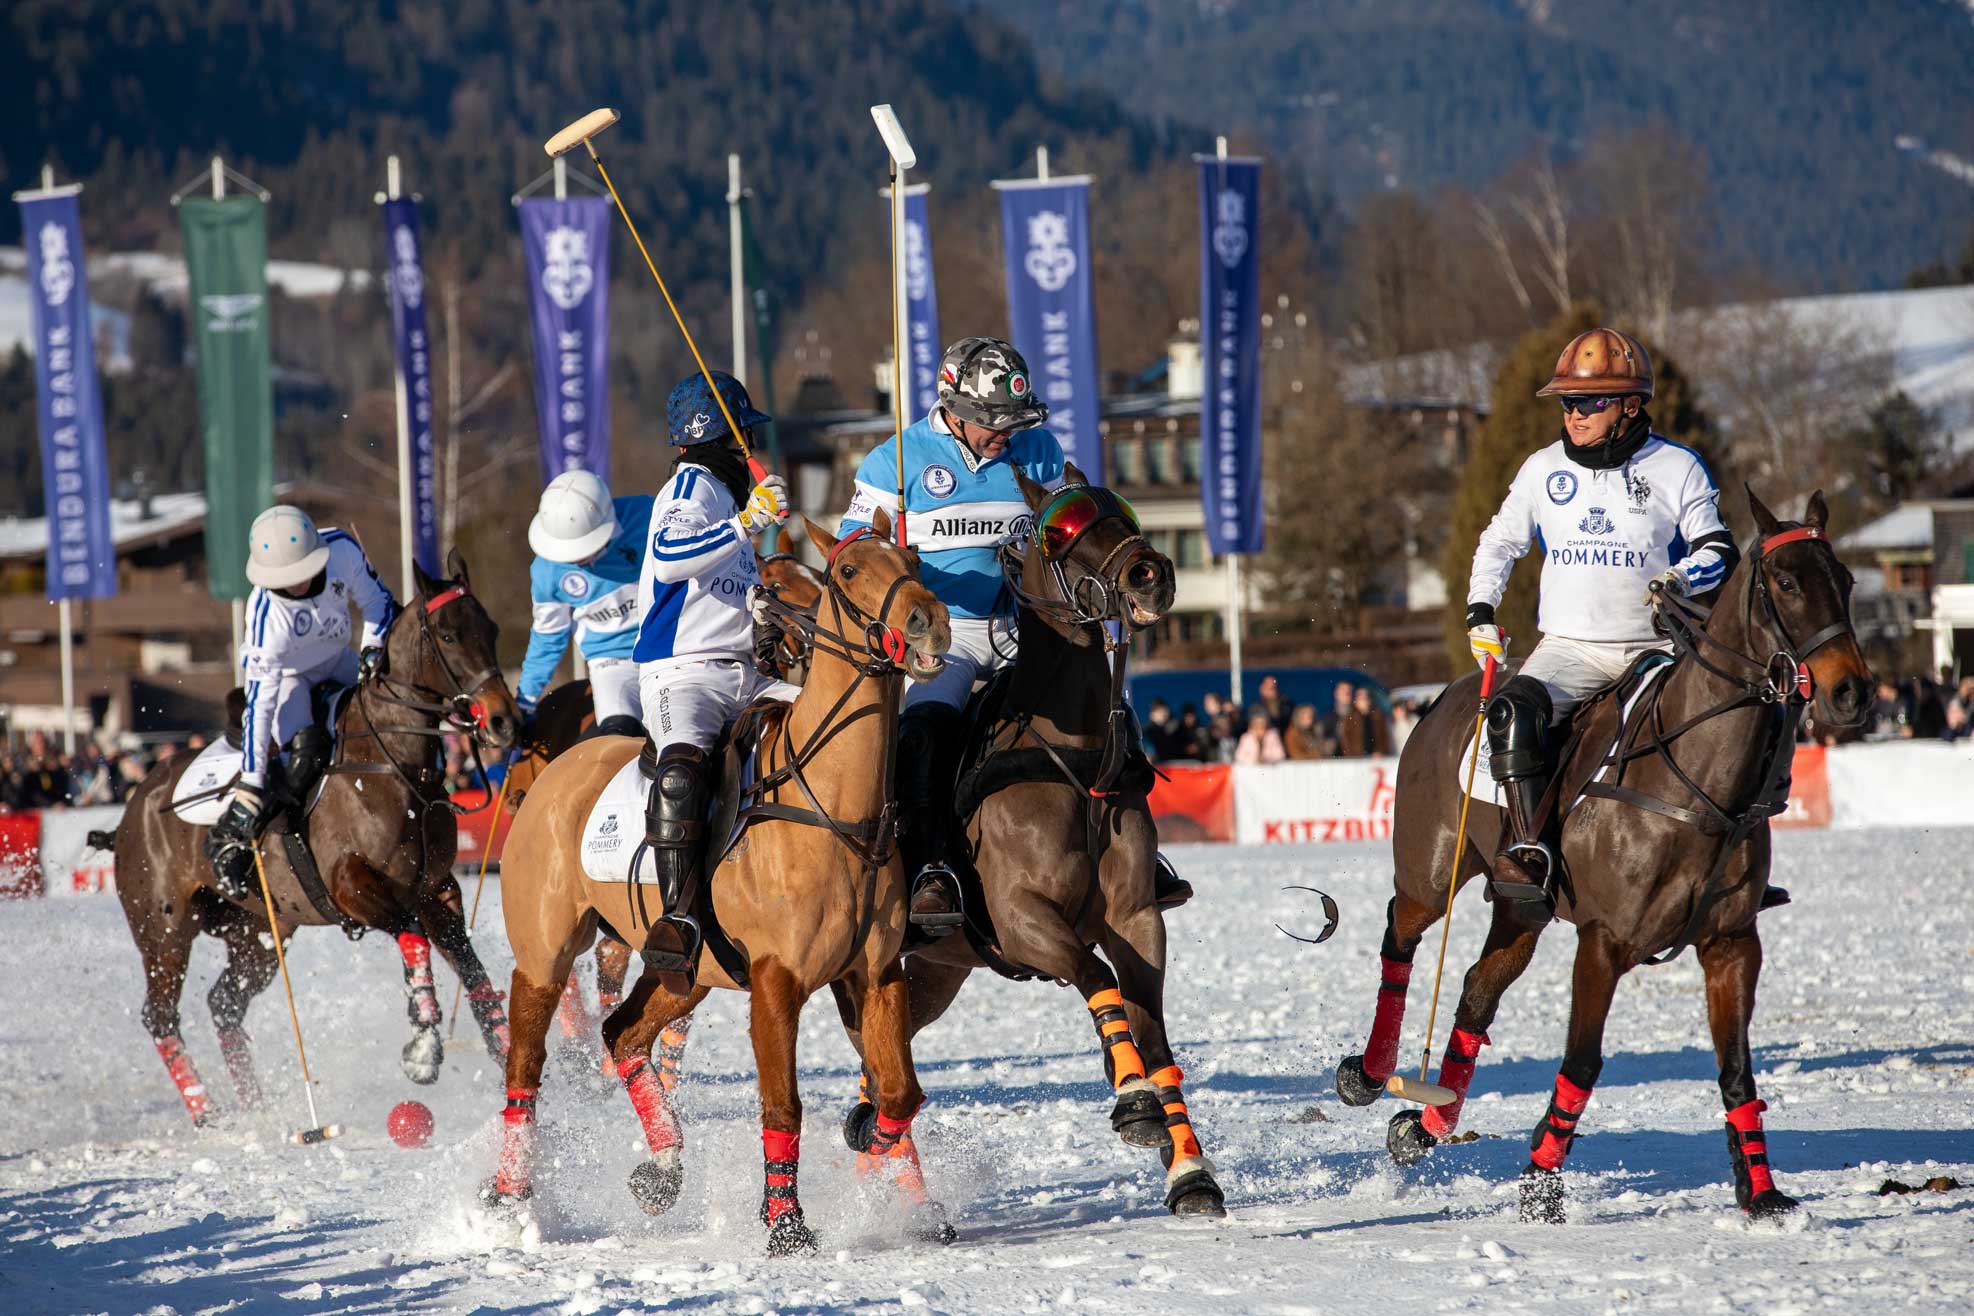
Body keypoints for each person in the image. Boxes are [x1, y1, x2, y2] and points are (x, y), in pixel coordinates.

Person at [839, 336, 1189, 922]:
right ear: (953, 407)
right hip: (949, 638)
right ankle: (933, 869)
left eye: (1012, 422)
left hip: (1030, 625)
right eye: (990, 422)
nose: (1004, 434)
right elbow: (856, 556)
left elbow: (1080, 535)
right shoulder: (894, 462)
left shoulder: (1040, 452)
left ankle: (1136, 857)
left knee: (1107, 707)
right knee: (925, 729)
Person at [1465, 327, 1741, 921]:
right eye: (1567, 402)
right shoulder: (1542, 470)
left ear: (1630, 405)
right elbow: (1498, 543)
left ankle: (1739, 860)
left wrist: (1681, 579)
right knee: (1512, 715)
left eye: (1589, 402)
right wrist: (1481, 611)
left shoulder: (1676, 466)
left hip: (1657, 650)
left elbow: (1719, 548)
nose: (1575, 414)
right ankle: (1529, 851)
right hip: (1571, 648)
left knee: (1736, 715)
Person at [634, 370, 799, 987]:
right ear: (716, 438)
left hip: (745, 673)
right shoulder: (689, 487)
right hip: (684, 674)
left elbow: (733, 587)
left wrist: (770, 610)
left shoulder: (727, 498)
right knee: (682, 769)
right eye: (742, 439)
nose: (749, 452)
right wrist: (746, 523)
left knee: (834, 725)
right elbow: (675, 558)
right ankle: (678, 919)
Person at [205, 505, 397, 900]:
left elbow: (379, 603)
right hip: (290, 679)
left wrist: (373, 649)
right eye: (284, 580)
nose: (295, 586)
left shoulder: (342, 551)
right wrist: (252, 782)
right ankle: (252, 835)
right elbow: (259, 704)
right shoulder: (264, 616)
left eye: (300, 574)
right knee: (307, 753)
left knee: (393, 708)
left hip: (338, 658)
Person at [518, 469, 654, 729]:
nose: (577, 561)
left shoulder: (649, 515)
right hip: (612, 664)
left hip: (671, 647)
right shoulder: (546, 571)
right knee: (618, 734)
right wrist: (526, 698)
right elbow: (548, 638)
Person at [1340, 686, 1393, 757]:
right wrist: (1353, 755)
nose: (1364, 701)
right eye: (1361, 699)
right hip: (1357, 759)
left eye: (1366, 698)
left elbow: (1384, 737)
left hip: (1376, 757)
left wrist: (1380, 751)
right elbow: (1346, 740)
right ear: (1356, 701)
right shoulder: (1350, 718)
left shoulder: (1378, 716)